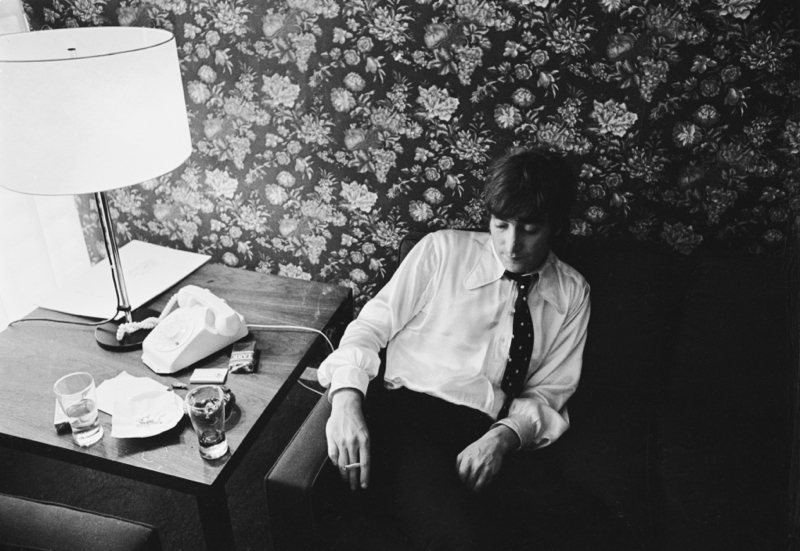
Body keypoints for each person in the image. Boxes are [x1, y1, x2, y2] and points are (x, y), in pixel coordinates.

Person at [317, 147, 592, 550]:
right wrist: (345, 399)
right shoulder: (442, 251)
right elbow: (370, 327)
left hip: (486, 430)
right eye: (501, 226)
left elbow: (550, 391)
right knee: (457, 537)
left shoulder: (572, 293)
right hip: (411, 417)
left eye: (530, 230)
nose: (511, 245)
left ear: (557, 229)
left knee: (582, 520)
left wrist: (501, 439)